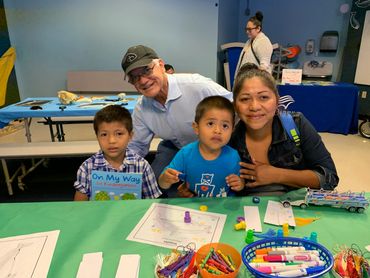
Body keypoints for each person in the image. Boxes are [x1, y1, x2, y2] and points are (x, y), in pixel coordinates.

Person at [121, 45, 232, 194]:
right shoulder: (142, 108)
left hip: (216, 145)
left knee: (216, 183)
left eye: (146, 70)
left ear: (161, 65)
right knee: (154, 183)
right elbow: (136, 147)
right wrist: (114, 171)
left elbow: (234, 108)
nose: (142, 80)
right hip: (176, 147)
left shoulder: (198, 86)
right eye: (134, 77)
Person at [229, 66, 339, 195]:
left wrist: (277, 175)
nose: (254, 106)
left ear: (277, 101)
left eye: (263, 97)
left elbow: (329, 178)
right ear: (235, 105)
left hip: (295, 209)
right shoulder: (227, 135)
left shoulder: (296, 125)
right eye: (245, 99)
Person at [158, 96, 244, 197]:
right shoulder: (185, 154)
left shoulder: (233, 156)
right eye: (210, 123)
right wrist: (166, 179)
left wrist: (240, 184)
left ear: (232, 130)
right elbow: (163, 184)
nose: (217, 130)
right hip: (194, 207)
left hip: (223, 208)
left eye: (225, 126)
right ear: (196, 128)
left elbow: (240, 183)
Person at [73, 105, 162, 201]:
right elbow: (79, 206)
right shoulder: (86, 168)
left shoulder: (142, 166)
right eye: (104, 134)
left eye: (119, 134)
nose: (111, 141)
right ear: (97, 137)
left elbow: (152, 203)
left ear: (130, 136)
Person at [234, 11, 273, 79]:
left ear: (258, 28)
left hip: (254, 83)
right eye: (246, 29)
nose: (247, 32)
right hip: (245, 81)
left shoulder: (263, 41)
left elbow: (264, 68)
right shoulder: (249, 41)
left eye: (249, 29)